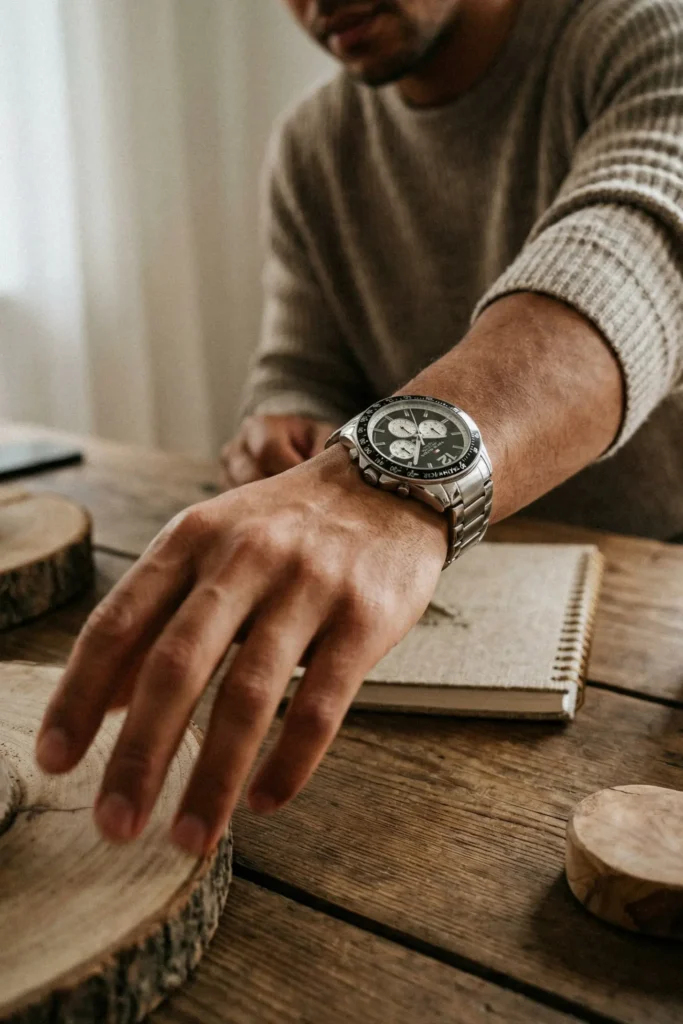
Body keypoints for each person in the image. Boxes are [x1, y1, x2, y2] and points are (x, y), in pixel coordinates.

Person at [37, 0, 683, 858]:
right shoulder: (312, 145)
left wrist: (374, 486)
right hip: (429, 631)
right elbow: (300, 361)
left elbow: (639, 244)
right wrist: (278, 419)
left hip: (653, 619)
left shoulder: (641, 29)